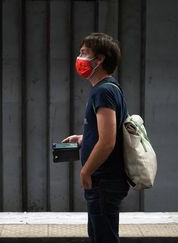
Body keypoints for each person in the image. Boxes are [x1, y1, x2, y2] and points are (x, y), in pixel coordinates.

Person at [62, 32, 129, 243]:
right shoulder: (111, 88)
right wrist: (84, 138)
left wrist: (86, 171)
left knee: (103, 239)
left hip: (103, 179)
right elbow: (107, 132)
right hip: (107, 179)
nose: (79, 58)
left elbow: (108, 141)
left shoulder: (103, 92)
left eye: (84, 53)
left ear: (99, 59)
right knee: (101, 236)